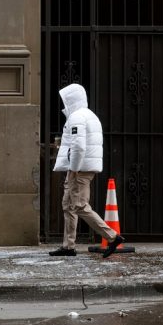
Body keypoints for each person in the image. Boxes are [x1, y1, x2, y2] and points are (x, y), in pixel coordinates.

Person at [50, 83, 125, 258]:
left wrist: (74, 169)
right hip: (80, 168)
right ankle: (68, 246)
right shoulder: (89, 115)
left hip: (79, 169)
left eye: (65, 100)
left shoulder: (77, 117)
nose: (63, 104)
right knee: (68, 205)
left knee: (79, 205)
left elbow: (78, 146)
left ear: (71, 100)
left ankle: (112, 237)